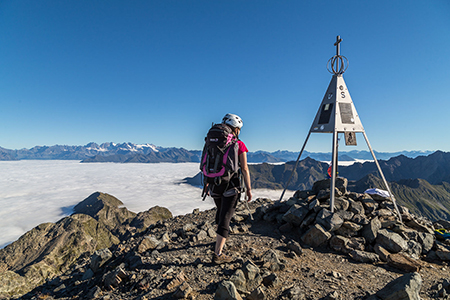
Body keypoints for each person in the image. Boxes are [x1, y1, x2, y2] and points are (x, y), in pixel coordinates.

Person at [210, 113, 252, 264]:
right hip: (231, 185)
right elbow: (245, 169)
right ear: (236, 128)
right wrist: (248, 189)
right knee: (226, 218)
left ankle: (218, 240)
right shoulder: (239, 144)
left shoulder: (213, 141)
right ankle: (218, 254)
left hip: (214, 183)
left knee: (221, 212)